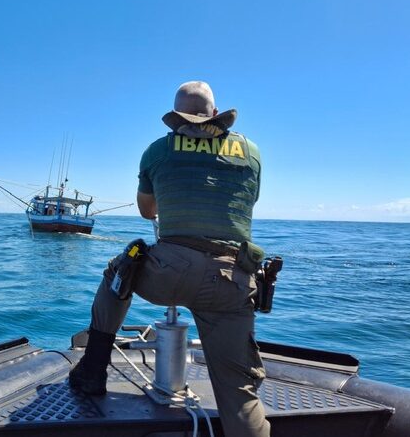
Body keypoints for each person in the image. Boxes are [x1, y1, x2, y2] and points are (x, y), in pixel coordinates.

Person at [69, 81, 270, 437]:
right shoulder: (251, 152)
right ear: (215, 113)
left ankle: (93, 369)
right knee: (240, 395)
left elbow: (148, 211)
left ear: (176, 116)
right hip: (233, 278)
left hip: (169, 273)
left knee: (119, 271)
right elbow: (248, 201)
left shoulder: (157, 150)